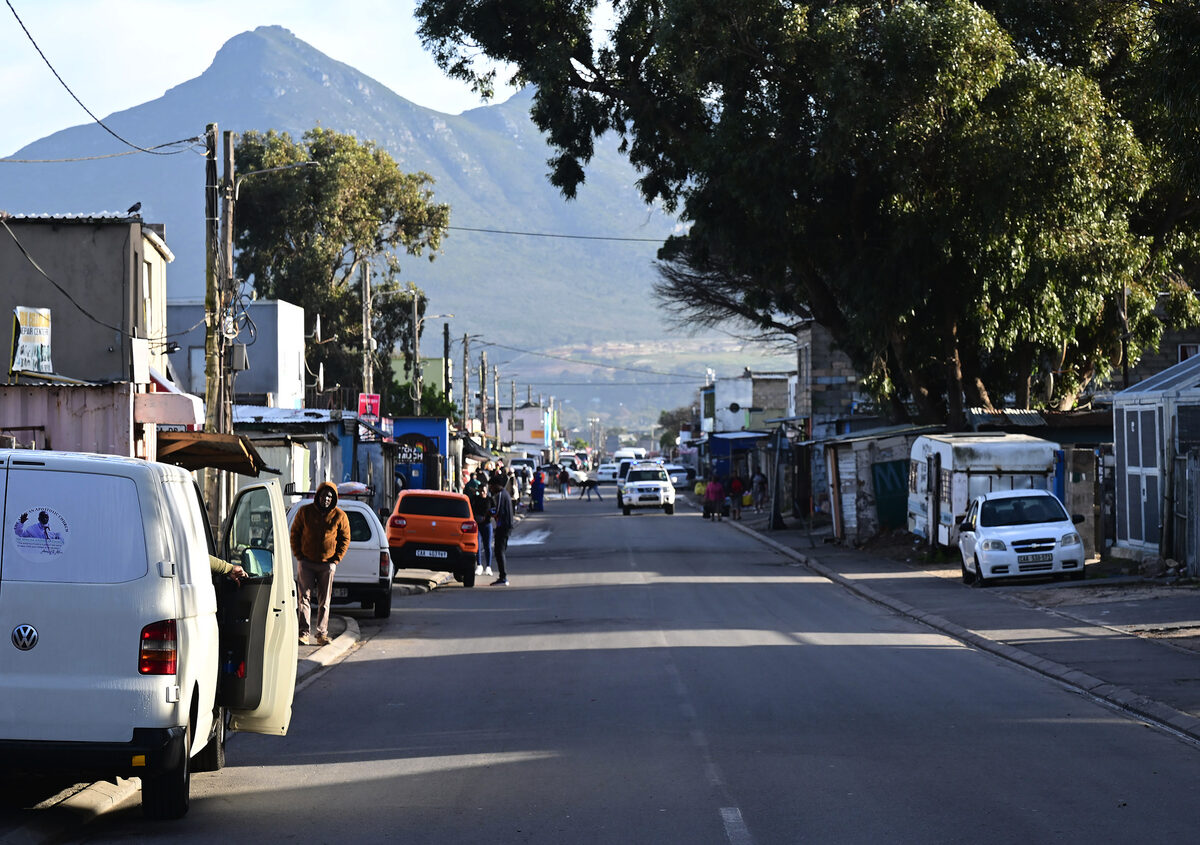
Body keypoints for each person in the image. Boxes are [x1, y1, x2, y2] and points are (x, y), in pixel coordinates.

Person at [289, 481, 350, 646]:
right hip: (306, 563)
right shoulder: (305, 512)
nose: (326, 499)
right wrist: (299, 555)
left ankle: (322, 634)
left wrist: (335, 560)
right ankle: (303, 633)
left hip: (327, 565)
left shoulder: (340, 516)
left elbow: (345, 539)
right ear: (318, 496)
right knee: (304, 599)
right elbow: (295, 533)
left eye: (330, 496)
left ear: (334, 498)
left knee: (325, 601)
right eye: (324, 495)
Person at [466, 470, 494, 577]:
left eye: (484, 491)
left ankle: (488, 566)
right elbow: (471, 508)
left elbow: (494, 510)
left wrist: (488, 516)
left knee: (487, 546)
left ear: (487, 491)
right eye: (481, 491)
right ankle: (479, 565)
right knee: (477, 545)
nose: (482, 493)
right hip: (477, 525)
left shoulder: (490, 500)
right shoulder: (475, 499)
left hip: (487, 524)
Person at [488, 474, 514, 585]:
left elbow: (496, 511)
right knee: (500, 550)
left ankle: (503, 577)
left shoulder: (500, 495)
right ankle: (502, 576)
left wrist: (488, 513)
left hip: (503, 526)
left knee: (499, 551)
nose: (491, 489)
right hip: (506, 526)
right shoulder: (505, 494)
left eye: (491, 487)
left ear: (496, 485)